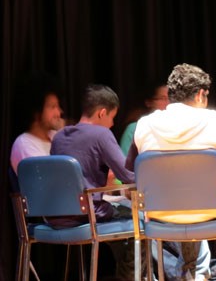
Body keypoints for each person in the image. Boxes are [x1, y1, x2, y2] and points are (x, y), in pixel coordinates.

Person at [125, 63, 216, 281]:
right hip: (214, 212)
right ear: (200, 95)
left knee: (182, 210)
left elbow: (135, 171)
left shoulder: (143, 126)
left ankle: (191, 274)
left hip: (160, 216)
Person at [49, 84, 138, 280]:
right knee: (140, 219)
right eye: (112, 118)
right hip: (88, 216)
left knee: (119, 218)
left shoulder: (59, 137)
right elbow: (128, 175)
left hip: (56, 217)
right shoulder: (102, 134)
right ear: (102, 112)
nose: (112, 125)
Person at [10, 74, 64, 175]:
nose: (59, 112)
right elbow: (48, 180)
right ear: (36, 112)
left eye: (58, 106)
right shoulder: (24, 143)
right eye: (53, 107)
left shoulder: (56, 136)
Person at [119, 82, 169, 156]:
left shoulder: (180, 126)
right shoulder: (134, 128)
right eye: (163, 98)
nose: (168, 102)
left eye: (171, 98)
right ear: (148, 102)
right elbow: (124, 162)